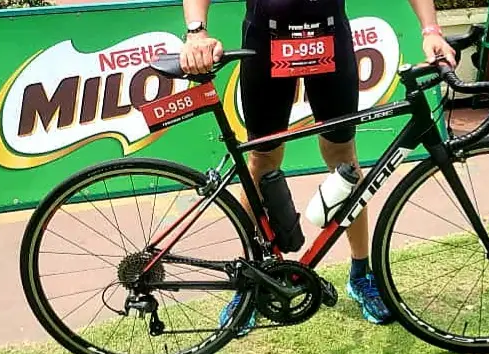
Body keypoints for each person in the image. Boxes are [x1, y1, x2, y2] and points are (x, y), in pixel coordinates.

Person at [179, 0, 456, 332]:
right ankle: (251, 280)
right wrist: (196, 32)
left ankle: (361, 274)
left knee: (344, 160)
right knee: (262, 161)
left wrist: (431, 30)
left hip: (329, 37)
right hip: (265, 41)